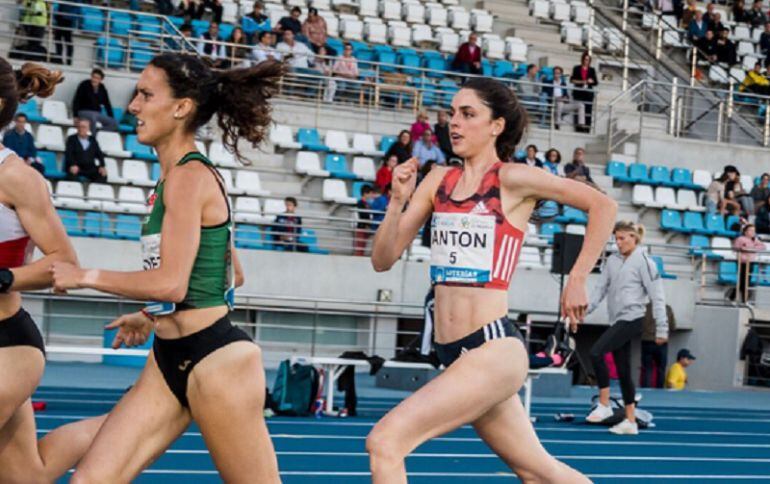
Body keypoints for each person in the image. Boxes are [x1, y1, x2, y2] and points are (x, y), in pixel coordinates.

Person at [367, 76, 616, 482]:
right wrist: (397, 201)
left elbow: (602, 205)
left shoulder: (512, 179)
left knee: (385, 442)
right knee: (538, 471)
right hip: (454, 356)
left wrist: (577, 278)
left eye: (468, 114)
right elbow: (383, 259)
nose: (455, 123)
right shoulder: (437, 181)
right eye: (452, 114)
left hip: (493, 350)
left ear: (496, 126)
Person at [51, 53, 284, 482]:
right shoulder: (172, 178)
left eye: (145, 95)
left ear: (181, 108)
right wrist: (149, 314)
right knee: (90, 479)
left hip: (216, 361)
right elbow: (232, 275)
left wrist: (86, 276)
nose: (133, 106)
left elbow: (172, 284)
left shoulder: (189, 178)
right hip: (168, 356)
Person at [0, 57, 108, 484]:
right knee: (27, 477)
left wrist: (4, 277)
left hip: (7, 347)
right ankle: (130, 424)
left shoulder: (16, 177)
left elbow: (65, 263)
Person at [585, 222, 668, 435]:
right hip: (616, 319)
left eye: (622, 238)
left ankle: (604, 405)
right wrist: (583, 312)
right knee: (623, 372)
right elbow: (599, 290)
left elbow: (657, 296)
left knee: (596, 352)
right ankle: (630, 421)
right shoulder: (612, 261)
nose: (618, 242)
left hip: (633, 318)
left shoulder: (645, 262)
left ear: (634, 237)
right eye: (616, 238)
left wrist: (662, 328)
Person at [640, 302, 675, 388]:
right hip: (662, 341)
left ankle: (646, 389)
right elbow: (673, 326)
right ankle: (659, 391)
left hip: (647, 340)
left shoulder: (644, 308)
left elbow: (639, 324)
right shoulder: (667, 308)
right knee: (661, 369)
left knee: (647, 368)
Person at [542, 66, 586, 130]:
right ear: (553, 74)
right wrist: (556, 98)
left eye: (558, 73)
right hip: (554, 103)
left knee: (581, 105)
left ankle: (581, 124)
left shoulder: (563, 84)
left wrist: (565, 97)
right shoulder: (549, 83)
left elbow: (567, 95)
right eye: (555, 73)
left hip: (563, 104)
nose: (556, 75)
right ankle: (557, 124)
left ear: (561, 74)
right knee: (559, 102)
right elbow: (546, 93)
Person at [64, 119, 107, 183]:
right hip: (76, 167)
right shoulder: (71, 139)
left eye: (83, 127)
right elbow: (69, 154)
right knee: (72, 176)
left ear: (88, 128)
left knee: (102, 175)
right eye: (79, 127)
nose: (81, 129)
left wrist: (102, 166)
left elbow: (99, 154)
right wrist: (72, 164)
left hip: (90, 167)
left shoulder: (93, 140)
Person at [733, 224, 766, 302]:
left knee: (746, 281)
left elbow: (763, 246)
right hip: (742, 262)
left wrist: (751, 248)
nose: (752, 232)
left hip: (750, 262)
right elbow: (736, 247)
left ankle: (738, 298)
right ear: (745, 232)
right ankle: (741, 298)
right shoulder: (740, 239)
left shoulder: (755, 240)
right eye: (750, 230)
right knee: (742, 281)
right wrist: (744, 248)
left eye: (754, 231)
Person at [571, 52, 598, 132]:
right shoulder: (576, 68)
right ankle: (578, 128)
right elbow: (572, 80)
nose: (586, 61)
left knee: (588, 111)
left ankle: (587, 129)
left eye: (588, 60)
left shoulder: (592, 70)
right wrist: (583, 82)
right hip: (579, 93)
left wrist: (591, 81)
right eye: (585, 59)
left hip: (588, 94)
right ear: (582, 60)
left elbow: (595, 82)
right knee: (578, 110)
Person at [53, 0, 78, 65]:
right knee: (58, 39)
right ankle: (59, 59)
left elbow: (76, 7)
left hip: (67, 20)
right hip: (60, 18)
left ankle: (68, 61)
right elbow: (57, 5)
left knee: (67, 41)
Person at [355, 184, 377, 256]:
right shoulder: (360, 203)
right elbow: (363, 215)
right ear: (365, 193)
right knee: (360, 248)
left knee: (363, 247)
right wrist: (368, 224)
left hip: (366, 227)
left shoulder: (367, 203)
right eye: (370, 193)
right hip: (362, 227)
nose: (371, 195)